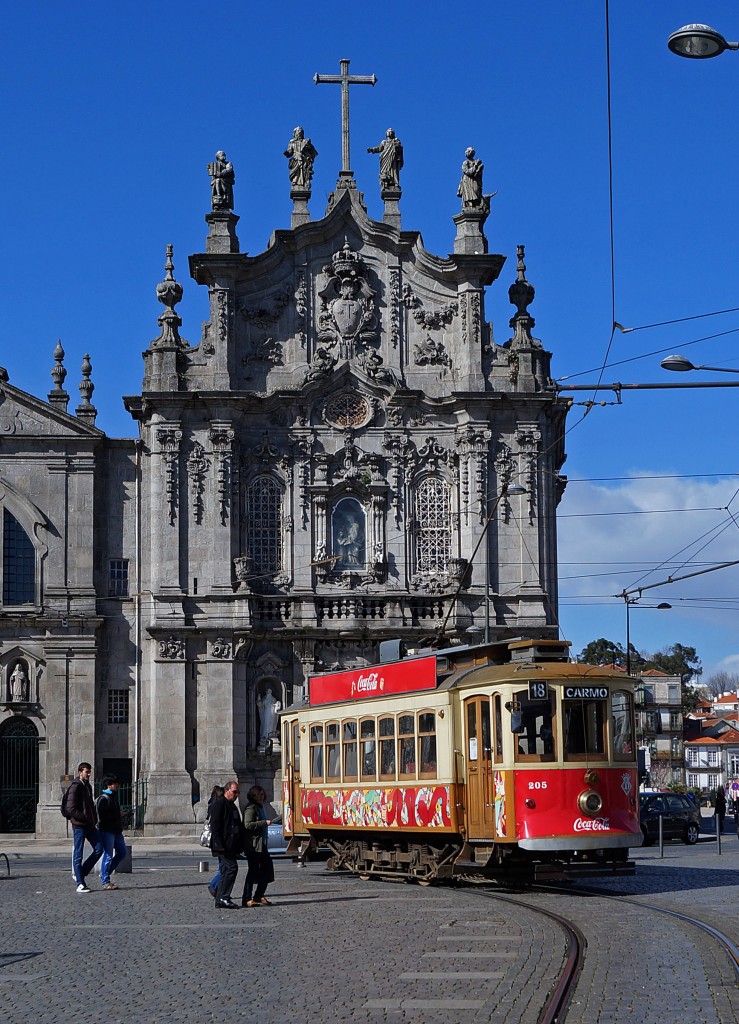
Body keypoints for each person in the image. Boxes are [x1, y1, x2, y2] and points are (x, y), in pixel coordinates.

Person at [67, 762, 103, 893]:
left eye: (89, 772)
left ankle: (80, 873)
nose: (88, 774)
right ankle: (80, 884)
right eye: (86, 772)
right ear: (79, 772)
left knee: (99, 849)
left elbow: (90, 806)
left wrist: (93, 819)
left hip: (90, 825)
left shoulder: (88, 786)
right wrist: (83, 817)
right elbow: (70, 808)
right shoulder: (75, 786)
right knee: (78, 853)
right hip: (79, 825)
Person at [209, 780, 243, 909]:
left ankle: (221, 898)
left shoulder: (232, 805)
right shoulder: (219, 804)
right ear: (226, 790)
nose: (236, 795)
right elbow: (215, 826)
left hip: (231, 845)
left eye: (238, 792)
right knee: (231, 869)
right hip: (223, 845)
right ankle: (223, 896)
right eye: (234, 792)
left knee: (225, 870)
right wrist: (218, 844)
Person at [241, 785, 275, 908]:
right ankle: (247, 898)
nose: (262, 797)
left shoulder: (260, 807)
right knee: (253, 871)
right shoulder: (251, 808)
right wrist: (263, 823)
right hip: (253, 845)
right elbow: (247, 824)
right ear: (254, 796)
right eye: (259, 795)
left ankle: (259, 895)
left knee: (267, 869)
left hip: (261, 844)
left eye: (263, 794)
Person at [96, 773, 127, 890]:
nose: (117, 785)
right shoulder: (104, 799)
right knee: (108, 855)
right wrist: (118, 814)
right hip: (107, 830)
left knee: (122, 852)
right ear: (109, 785)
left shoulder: (113, 797)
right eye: (115, 783)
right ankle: (105, 880)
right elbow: (103, 817)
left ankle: (105, 872)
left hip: (116, 830)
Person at [206, 785, 225, 898]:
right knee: (224, 867)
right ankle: (213, 885)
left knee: (222, 866)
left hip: (217, 842)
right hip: (219, 842)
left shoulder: (211, 804)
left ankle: (218, 888)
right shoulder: (217, 806)